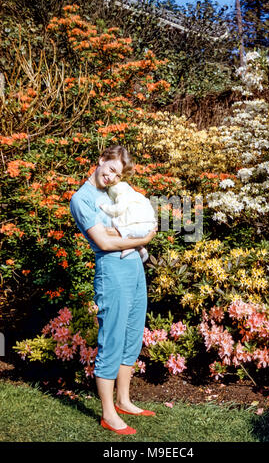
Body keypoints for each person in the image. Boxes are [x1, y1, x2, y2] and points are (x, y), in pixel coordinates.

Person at [69, 145, 157, 435]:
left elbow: (136, 225)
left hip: (133, 267)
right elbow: (104, 242)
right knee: (113, 338)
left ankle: (124, 400)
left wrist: (132, 234)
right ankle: (108, 414)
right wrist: (138, 238)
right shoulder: (82, 199)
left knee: (132, 334)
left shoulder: (117, 193)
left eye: (117, 174)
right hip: (111, 269)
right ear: (100, 160)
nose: (111, 177)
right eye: (110, 169)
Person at [99, 180, 157, 263]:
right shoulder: (137, 195)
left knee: (119, 228)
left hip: (139, 227)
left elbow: (118, 209)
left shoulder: (122, 195)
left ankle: (128, 247)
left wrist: (105, 207)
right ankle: (141, 248)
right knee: (131, 231)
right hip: (149, 227)